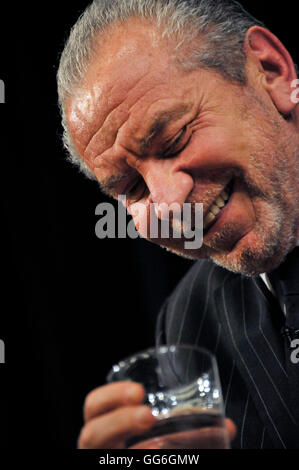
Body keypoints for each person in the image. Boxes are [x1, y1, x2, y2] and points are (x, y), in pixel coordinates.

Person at [57, 0, 299, 448]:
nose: (168, 206)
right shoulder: (187, 321)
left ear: (271, 73)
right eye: (131, 189)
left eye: (174, 140)